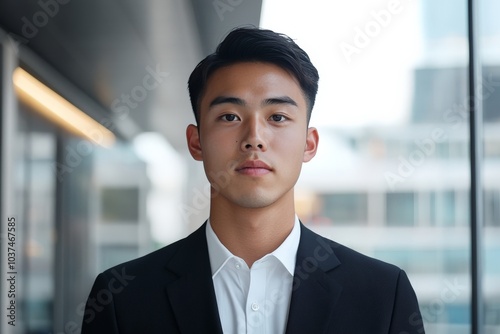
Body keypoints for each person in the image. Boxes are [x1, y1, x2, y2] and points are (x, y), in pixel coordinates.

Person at [81, 27, 425, 334]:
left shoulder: (382, 294)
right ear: (196, 141)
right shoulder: (121, 298)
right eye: (229, 116)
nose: (254, 138)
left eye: (277, 117)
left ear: (309, 144)